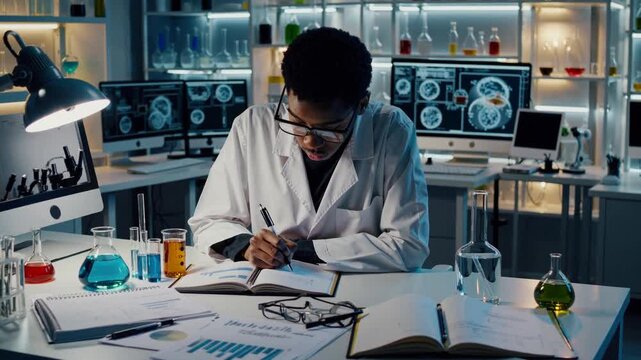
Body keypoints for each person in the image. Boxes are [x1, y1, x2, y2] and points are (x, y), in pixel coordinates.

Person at [188, 27, 429, 272]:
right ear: (286, 94)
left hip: (358, 291)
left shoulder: (391, 130)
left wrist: (302, 250)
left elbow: (408, 245)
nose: (310, 142)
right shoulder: (252, 126)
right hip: (274, 286)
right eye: (297, 123)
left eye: (330, 129)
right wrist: (246, 247)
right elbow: (210, 220)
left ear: (361, 104)